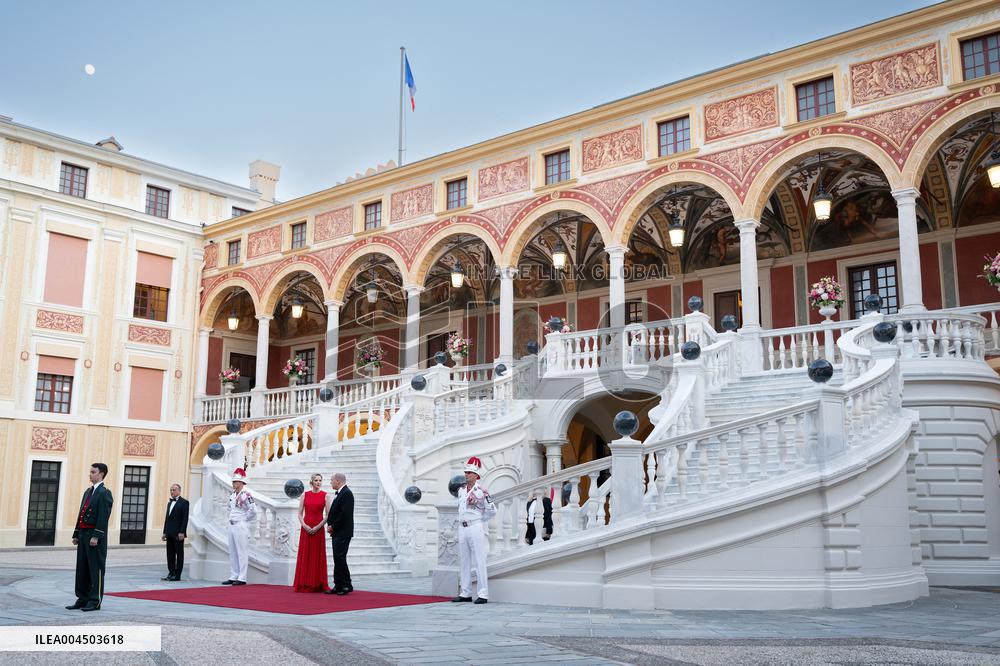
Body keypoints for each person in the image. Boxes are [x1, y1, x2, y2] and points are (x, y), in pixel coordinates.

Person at [66, 463, 113, 612]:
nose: (90, 474)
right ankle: (82, 598)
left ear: (101, 474)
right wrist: (76, 533)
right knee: (82, 568)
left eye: (93, 472)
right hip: (83, 534)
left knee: (95, 568)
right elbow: (81, 512)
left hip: (94, 536)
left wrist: (96, 535)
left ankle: (95, 600)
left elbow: (103, 517)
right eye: (90, 471)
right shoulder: (88, 491)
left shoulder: (105, 493)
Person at [452, 456, 491, 604]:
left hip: (475, 526)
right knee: (465, 560)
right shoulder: (462, 491)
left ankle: (483, 594)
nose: (466, 474)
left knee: (479, 561)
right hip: (463, 527)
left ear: (476, 475)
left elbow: (491, 510)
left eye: (469, 472)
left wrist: (480, 520)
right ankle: (466, 593)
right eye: (465, 472)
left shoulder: (481, 491)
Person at [293, 473, 330, 593]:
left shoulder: (326, 496)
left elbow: (328, 516)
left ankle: (318, 583)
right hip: (306, 528)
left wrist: (318, 527)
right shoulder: (305, 495)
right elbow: (299, 513)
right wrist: (305, 526)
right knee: (306, 554)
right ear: (312, 482)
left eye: (320, 480)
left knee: (317, 555)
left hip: (318, 529)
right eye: (316, 480)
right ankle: (304, 582)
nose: (318, 482)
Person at [222, 468, 256, 586]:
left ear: (242, 483)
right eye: (233, 482)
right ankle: (233, 575)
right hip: (232, 525)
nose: (233, 484)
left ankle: (242, 577)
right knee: (233, 551)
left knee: (242, 552)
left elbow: (253, 510)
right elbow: (230, 508)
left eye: (236, 482)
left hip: (241, 525)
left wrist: (244, 519)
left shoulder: (246, 494)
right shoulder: (232, 495)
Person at [324, 472, 354, 595]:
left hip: (342, 531)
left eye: (332, 480)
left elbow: (344, 514)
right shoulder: (341, 493)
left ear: (338, 481)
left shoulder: (347, 493)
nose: (330, 482)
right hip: (338, 532)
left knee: (340, 558)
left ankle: (347, 584)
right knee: (338, 558)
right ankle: (338, 584)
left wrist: (333, 526)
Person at [161, 483, 189, 581]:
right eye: (171, 490)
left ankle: (177, 575)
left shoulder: (184, 502)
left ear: (179, 491)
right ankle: (171, 572)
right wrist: (164, 532)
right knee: (170, 554)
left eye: (174, 490)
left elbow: (185, 519)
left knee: (179, 554)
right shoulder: (169, 503)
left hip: (178, 533)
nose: (172, 492)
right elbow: (167, 519)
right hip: (169, 533)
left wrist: (182, 532)